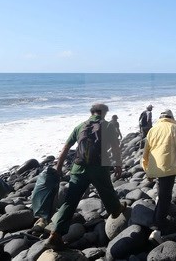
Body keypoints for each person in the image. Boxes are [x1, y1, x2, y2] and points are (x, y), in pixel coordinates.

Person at [47, 103, 124, 249]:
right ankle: (115, 210)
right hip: (100, 167)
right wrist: (118, 164)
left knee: (70, 202)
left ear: (91, 112)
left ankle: (55, 234)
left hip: (78, 168)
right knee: (107, 190)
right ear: (104, 113)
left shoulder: (80, 126)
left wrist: (58, 167)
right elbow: (115, 147)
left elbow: (66, 148)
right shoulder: (108, 126)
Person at [142, 109, 176, 243]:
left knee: (161, 192)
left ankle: (159, 216)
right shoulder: (174, 128)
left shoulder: (153, 129)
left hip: (155, 167)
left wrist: (147, 169)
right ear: (171, 117)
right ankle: (157, 227)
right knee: (165, 196)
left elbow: (146, 151)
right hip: (168, 168)